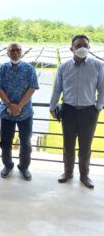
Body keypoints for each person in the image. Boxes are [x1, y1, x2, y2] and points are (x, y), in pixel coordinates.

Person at [50, 35, 104, 189]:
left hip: (89, 112)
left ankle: (84, 175)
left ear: (89, 48)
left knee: (86, 146)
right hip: (68, 111)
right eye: (78, 45)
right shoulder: (64, 67)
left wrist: (98, 108)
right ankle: (68, 173)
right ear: (71, 48)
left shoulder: (98, 66)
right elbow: (57, 90)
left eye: (85, 45)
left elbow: (102, 90)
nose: (82, 48)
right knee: (68, 145)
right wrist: (52, 106)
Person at [0, 43, 39, 180]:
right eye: (12, 50)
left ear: (22, 52)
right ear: (7, 53)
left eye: (18, 50)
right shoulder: (2, 69)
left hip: (25, 112)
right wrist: (10, 105)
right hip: (6, 112)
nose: (15, 52)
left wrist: (19, 105)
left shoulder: (29, 69)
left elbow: (32, 88)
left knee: (25, 141)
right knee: (6, 141)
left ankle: (24, 167)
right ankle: (8, 165)